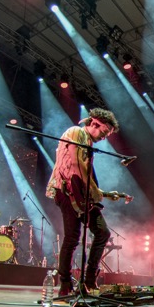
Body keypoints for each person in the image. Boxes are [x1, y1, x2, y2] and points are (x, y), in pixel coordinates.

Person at [45, 108, 122, 296]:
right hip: (65, 191)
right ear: (94, 123)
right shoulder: (75, 132)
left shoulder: (88, 143)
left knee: (102, 233)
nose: (104, 138)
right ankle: (64, 285)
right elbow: (75, 164)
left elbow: (84, 178)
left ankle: (89, 281)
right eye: (104, 132)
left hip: (81, 195)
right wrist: (95, 191)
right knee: (72, 238)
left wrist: (102, 192)